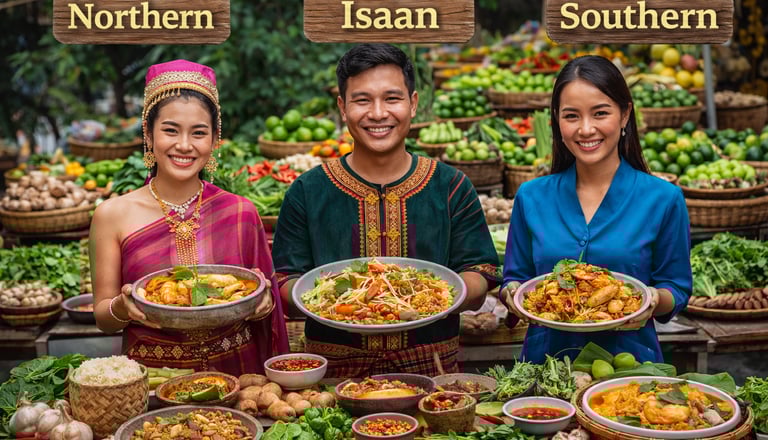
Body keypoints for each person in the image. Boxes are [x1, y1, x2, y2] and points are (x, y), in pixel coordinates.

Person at [272, 43, 500, 378]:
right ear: (343, 108)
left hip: (433, 373)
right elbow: (284, 282)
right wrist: (328, 301)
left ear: (413, 104)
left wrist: (439, 294)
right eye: (362, 100)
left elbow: (481, 271)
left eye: (392, 98)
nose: (378, 113)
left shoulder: (450, 185)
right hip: (333, 377)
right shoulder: (308, 191)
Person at [90, 59, 289, 376]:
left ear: (214, 140)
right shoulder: (112, 215)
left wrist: (263, 304)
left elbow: (265, 304)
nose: (184, 145)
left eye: (199, 133)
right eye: (170, 130)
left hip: (238, 377)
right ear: (149, 134)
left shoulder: (240, 212)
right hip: (154, 381)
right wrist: (122, 308)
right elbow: (103, 318)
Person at [500, 55, 692, 364]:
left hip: (628, 369)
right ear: (556, 121)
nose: (586, 129)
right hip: (544, 368)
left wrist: (653, 300)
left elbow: (676, 288)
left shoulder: (663, 198)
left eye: (600, 113)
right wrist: (511, 294)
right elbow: (516, 277)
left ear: (625, 115)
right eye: (571, 116)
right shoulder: (531, 196)